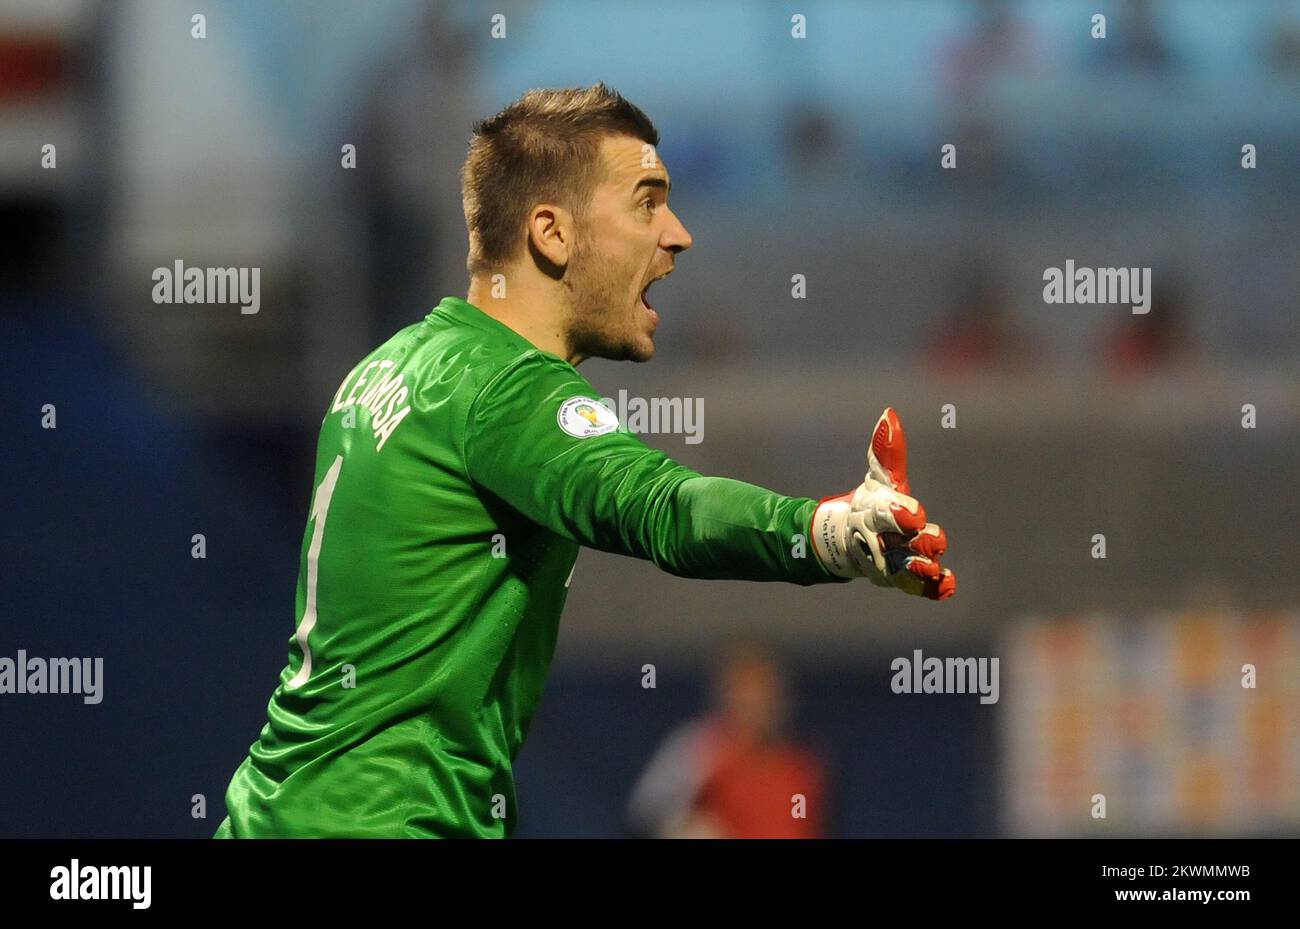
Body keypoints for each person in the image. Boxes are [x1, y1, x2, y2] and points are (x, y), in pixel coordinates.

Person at [214, 83, 955, 839]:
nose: (677, 233)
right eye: (646, 202)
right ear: (552, 233)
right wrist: (827, 531)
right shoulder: (505, 389)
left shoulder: (384, 368)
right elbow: (668, 509)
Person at [627, 641, 827, 839]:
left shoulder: (803, 764)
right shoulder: (700, 746)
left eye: (765, 691)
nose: (756, 703)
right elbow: (647, 814)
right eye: (746, 690)